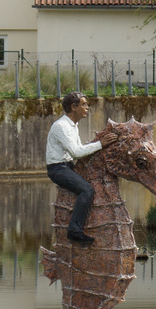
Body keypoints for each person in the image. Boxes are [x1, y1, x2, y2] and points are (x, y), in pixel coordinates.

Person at [46, 92, 117, 246]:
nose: (87, 107)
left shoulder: (73, 125)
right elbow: (76, 152)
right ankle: (74, 230)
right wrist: (100, 144)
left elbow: (78, 150)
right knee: (87, 190)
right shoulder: (61, 126)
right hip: (58, 168)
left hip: (68, 165)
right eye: (84, 104)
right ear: (74, 107)